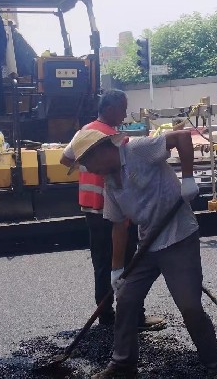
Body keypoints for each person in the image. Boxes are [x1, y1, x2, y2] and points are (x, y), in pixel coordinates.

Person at [66, 128, 217, 378]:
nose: (87, 169)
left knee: (189, 305)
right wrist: (117, 270)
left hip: (178, 237)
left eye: (86, 162)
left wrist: (187, 178)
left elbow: (183, 137)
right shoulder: (110, 184)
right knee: (127, 299)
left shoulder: (137, 150)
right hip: (148, 246)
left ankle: (215, 363)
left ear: (101, 151)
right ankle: (123, 364)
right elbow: (119, 226)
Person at [60, 90, 165, 331]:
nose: (125, 114)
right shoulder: (114, 139)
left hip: (90, 209)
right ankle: (134, 316)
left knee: (101, 262)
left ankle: (105, 315)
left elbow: (65, 160)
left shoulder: (83, 131)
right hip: (114, 208)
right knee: (127, 263)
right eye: (123, 108)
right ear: (112, 108)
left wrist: (87, 165)